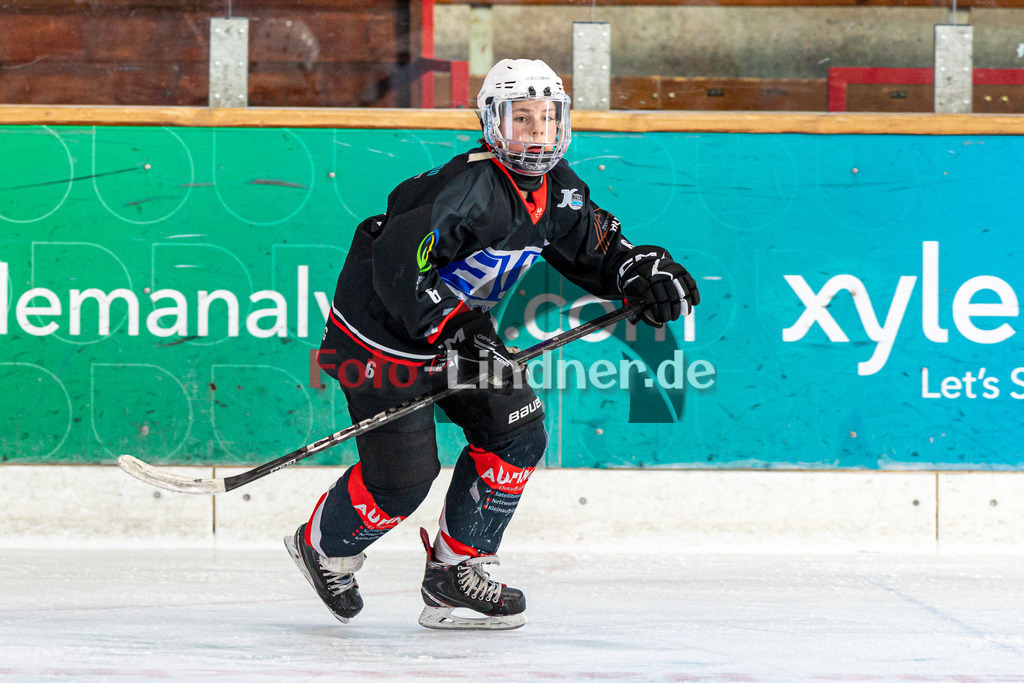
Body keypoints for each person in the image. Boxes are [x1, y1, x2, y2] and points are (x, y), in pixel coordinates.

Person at [284, 58, 700, 630]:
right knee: (402, 483)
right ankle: (323, 545)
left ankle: (456, 569)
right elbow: (398, 269)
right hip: (383, 338)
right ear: (490, 124)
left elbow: (600, 251)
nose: (535, 132)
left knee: (517, 430)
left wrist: (642, 273)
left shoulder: (561, 194)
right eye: (520, 118)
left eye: (547, 119)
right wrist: (448, 333)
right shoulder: (462, 189)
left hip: (457, 326)